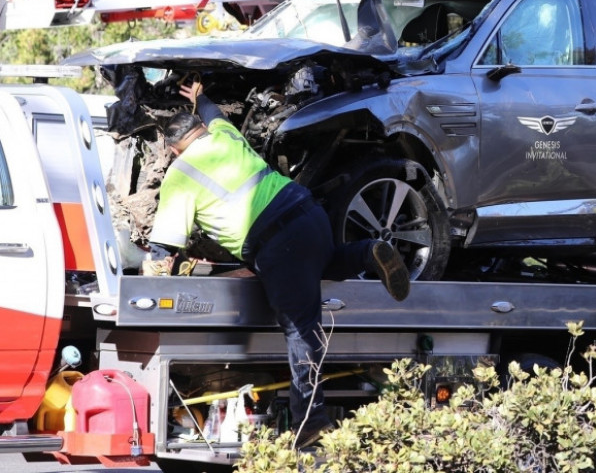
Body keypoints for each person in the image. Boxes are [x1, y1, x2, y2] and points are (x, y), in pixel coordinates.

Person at [148, 80, 411, 448]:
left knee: (301, 330)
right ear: (201, 131)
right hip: (307, 212)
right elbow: (216, 115)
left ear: (174, 149)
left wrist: (154, 276)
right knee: (322, 265)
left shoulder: (181, 173)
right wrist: (200, 97)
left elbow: (165, 245)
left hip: (277, 243)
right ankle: (368, 252)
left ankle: (311, 420)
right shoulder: (224, 136)